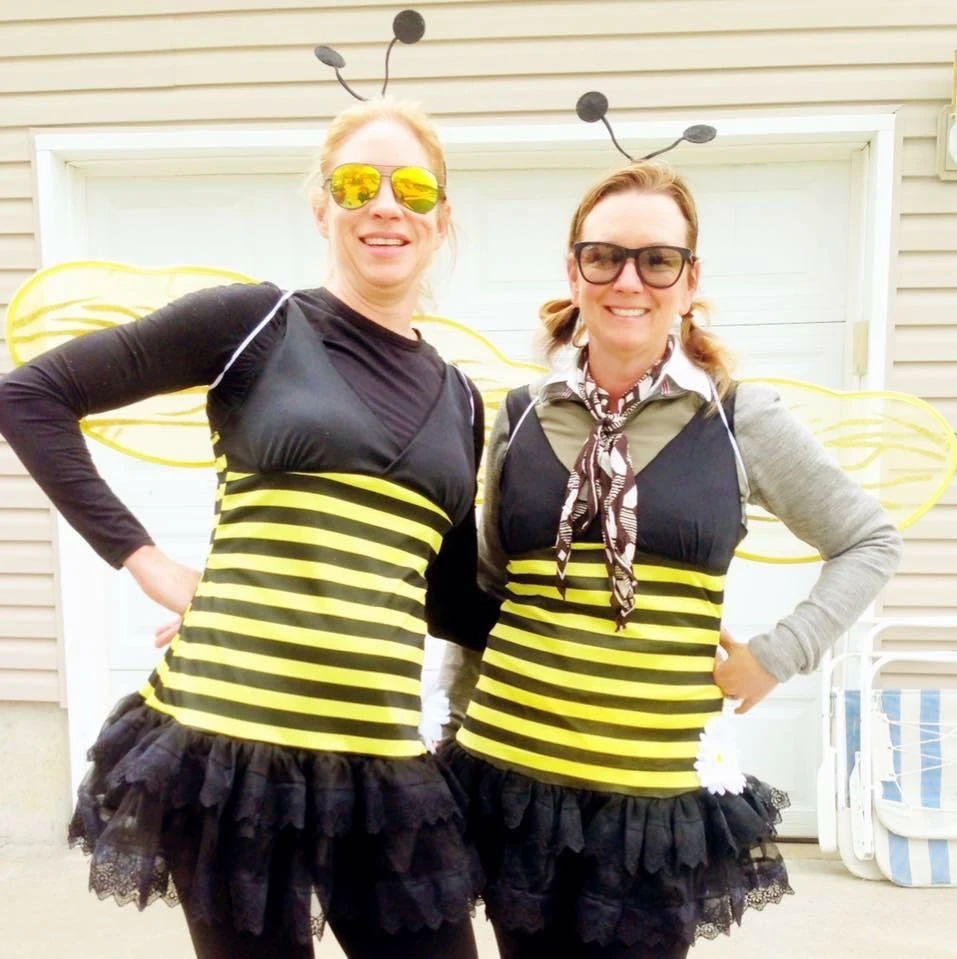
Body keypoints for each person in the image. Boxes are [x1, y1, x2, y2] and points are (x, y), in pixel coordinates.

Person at [0, 98, 491, 959]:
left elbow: (448, 597)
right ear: (321, 207)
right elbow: (30, 397)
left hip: (378, 762)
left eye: (411, 187)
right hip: (234, 758)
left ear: (440, 218)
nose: (384, 204)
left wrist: (615, 627)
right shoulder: (256, 323)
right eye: (356, 183)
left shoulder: (460, 398)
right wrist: (147, 561)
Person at [437, 161, 904, 958]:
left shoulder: (737, 418)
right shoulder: (517, 417)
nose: (629, 279)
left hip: (650, 802)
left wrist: (778, 655)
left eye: (656, 259)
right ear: (574, 272)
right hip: (511, 779)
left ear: (688, 282)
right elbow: (487, 592)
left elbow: (868, 540)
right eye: (604, 256)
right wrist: (455, 725)